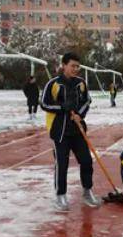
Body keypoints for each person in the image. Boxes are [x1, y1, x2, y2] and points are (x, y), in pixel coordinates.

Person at [40, 52, 101, 212]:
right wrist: (62, 108)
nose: (75, 69)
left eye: (77, 66)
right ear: (64, 65)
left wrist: (80, 114)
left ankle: (87, 192)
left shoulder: (81, 83)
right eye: (72, 66)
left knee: (86, 161)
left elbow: (87, 100)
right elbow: (44, 104)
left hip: (77, 129)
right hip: (59, 131)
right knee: (62, 164)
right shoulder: (53, 84)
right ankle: (60, 195)